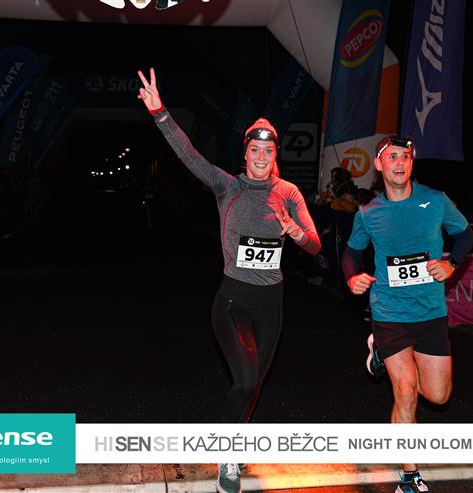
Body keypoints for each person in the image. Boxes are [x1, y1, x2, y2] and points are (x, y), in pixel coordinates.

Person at [137, 67, 320, 493]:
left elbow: (314, 245)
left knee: (252, 385)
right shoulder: (226, 185)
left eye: (268, 151)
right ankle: (228, 454)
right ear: (246, 153)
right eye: (255, 149)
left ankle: (234, 445)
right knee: (245, 378)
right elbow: (190, 156)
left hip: (271, 303)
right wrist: (160, 113)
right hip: (233, 300)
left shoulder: (289, 193)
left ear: (275, 155)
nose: (261, 156)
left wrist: (295, 233)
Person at [342, 135, 473, 493]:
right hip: (390, 312)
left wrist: (452, 264)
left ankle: (376, 350)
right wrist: (352, 277)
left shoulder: (436, 201)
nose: (399, 163)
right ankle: (410, 476)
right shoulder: (369, 213)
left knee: (438, 395)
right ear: (379, 165)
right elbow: (351, 252)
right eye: (392, 157)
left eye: (405, 157)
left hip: (430, 312)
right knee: (404, 389)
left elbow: (464, 236)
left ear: (411, 163)